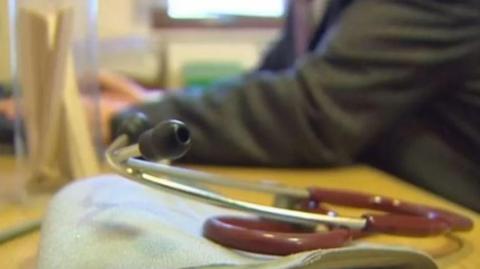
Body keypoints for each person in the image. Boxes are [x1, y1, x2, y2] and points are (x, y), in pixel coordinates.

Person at [4, 0, 480, 211]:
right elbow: (268, 84)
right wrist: (151, 101)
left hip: (452, 211)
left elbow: (310, 112)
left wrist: (116, 115)